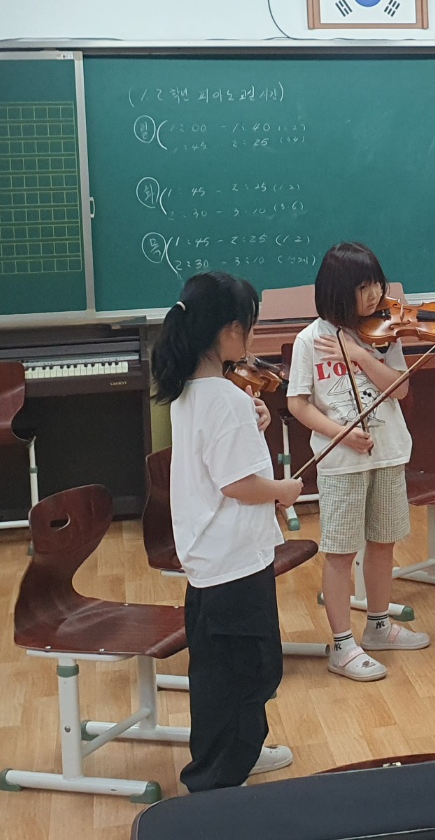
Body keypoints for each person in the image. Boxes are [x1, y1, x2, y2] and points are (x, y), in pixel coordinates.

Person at [150, 271, 302, 791]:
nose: (252, 337)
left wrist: (254, 422)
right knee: (252, 671)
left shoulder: (191, 392)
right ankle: (217, 781)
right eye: (250, 326)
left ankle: (238, 755)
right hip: (235, 560)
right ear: (231, 330)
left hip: (210, 560)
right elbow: (238, 483)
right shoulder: (228, 399)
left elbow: (220, 455)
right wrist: (283, 490)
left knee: (218, 675)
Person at [287, 242, 429, 682]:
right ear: (336, 290)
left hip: (388, 452)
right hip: (342, 463)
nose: (374, 295)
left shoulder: (382, 333)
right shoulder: (310, 341)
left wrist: (362, 356)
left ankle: (379, 625)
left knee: (384, 542)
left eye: (376, 285)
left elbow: (400, 389)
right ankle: (342, 644)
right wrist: (340, 433)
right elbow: (298, 403)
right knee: (341, 552)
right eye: (363, 287)